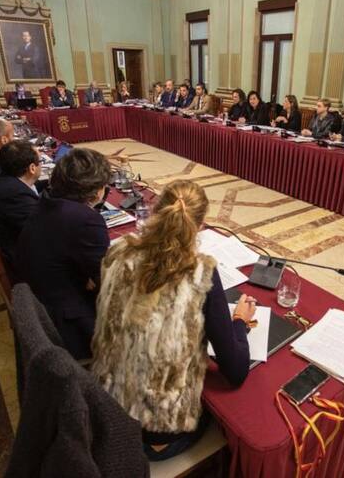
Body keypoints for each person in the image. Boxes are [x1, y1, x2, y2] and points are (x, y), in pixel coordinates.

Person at [91, 180, 253, 461]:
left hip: (107, 410)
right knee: (232, 420)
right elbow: (236, 371)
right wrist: (239, 321)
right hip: (158, 433)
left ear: (156, 212)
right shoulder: (201, 274)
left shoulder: (117, 252)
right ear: (200, 226)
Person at [15, 148, 111, 360]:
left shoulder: (47, 200)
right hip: (70, 323)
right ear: (97, 191)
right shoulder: (85, 219)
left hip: (42, 305)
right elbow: (108, 281)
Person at [0, 140, 41, 266]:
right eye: (40, 162)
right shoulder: (15, 196)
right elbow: (43, 231)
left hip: (15, 240)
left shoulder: (1, 179)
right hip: (25, 257)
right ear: (32, 168)